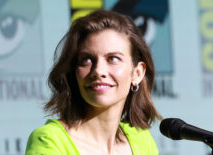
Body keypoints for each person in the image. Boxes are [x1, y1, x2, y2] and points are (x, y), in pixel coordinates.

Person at [25, 10, 162, 155]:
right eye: (87, 60)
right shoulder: (50, 140)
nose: (98, 71)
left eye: (113, 59)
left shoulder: (142, 141)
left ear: (137, 73)